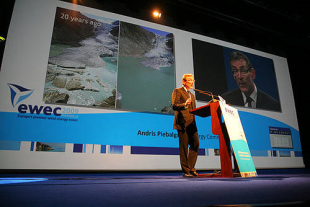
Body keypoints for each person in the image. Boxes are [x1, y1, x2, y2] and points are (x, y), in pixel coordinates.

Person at [172, 74, 199, 177]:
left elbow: (193, 110)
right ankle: (186, 170)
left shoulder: (192, 95)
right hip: (182, 123)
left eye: (193, 80)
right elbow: (174, 105)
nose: (192, 82)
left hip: (192, 123)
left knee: (195, 144)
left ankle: (191, 167)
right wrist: (184, 105)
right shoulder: (178, 91)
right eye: (189, 80)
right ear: (183, 82)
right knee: (183, 147)